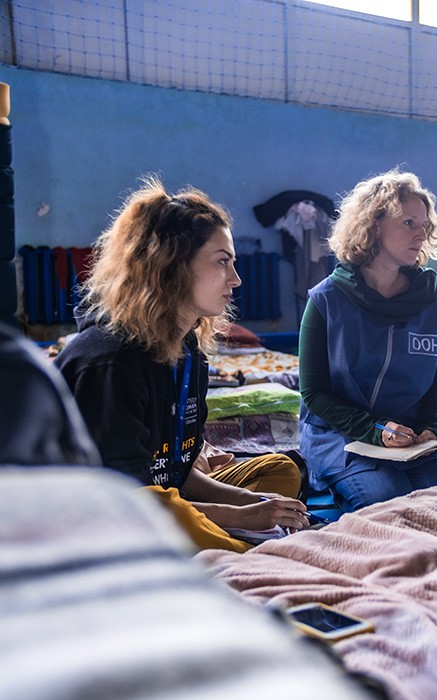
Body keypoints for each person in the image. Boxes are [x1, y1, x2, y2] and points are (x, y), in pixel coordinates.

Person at [54, 177, 310, 552]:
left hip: (164, 498)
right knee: (220, 540)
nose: (236, 280)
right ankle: (236, 550)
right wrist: (242, 518)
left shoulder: (187, 349)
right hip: (100, 516)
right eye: (222, 262)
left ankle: (222, 539)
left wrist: (255, 505)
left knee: (280, 472)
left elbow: (178, 472)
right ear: (170, 265)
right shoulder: (110, 362)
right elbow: (132, 500)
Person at [299, 169, 437, 512]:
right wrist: (376, 430)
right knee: (387, 506)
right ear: (375, 225)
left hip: (418, 437)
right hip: (346, 436)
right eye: (409, 223)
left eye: (424, 225)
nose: (421, 234)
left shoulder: (434, 301)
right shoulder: (326, 301)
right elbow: (314, 394)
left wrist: (433, 429)